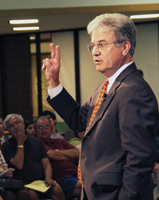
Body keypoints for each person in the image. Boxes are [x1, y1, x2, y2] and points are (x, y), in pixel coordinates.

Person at [42, 13, 158, 200]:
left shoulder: (134, 90)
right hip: (95, 191)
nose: (95, 51)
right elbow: (79, 121)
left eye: (102, 44)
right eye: (93, 46)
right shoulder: (107, 86)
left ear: (125, 47)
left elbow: (140, 158)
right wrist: (54, 82)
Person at [2, 113, 65, 200]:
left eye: (17, 123)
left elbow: (46, 165)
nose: (15, 127)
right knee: (32, 195)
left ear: (23, 124)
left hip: (39, 181)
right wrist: (20, 143)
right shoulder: (6, 146)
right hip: (22, 183)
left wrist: (48, 178)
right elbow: (18, 165)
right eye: (11, 126)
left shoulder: (37, 142)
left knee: (57, 189)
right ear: (8, 130)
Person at [35, 116, 81, 199]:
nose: (44, 130)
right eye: (40, 128)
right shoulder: (37, 144)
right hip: (61, 178)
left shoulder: (60, 141)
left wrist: (57, 152)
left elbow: (77, 153)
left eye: (46, 127)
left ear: (51, 128)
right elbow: (50, 154)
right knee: (87, 185)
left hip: (76, 173)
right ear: (35, 130)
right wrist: (68, 156)